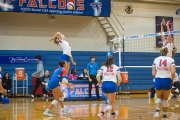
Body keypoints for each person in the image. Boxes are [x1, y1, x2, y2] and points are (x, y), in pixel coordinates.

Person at [152, 47, 176, 119]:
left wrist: (159, 72)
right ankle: (164, 116)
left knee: (159, 97)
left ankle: (157, 111)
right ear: (167, 52)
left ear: (160, 52)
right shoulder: (171, 60)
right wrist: (172, 80)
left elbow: (153, 73)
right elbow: (173, 72)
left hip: (158, 80)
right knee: (165, 99)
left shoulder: (156, 59)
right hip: (167, 80)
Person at [96, 55, 121, 120]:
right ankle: (102, 113)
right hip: (111, 84)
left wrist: (99, 82)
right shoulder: (116, 67)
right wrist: (118, 82)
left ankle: (113, 114)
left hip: (104, 85)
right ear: (113, 60)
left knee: (111, 102)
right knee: (111, 103)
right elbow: (119, 78)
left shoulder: (103, 67)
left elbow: (98, 75)